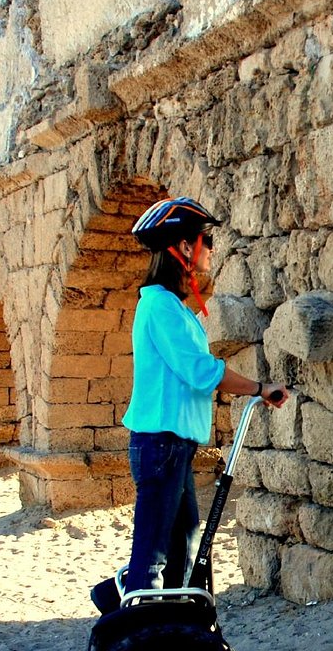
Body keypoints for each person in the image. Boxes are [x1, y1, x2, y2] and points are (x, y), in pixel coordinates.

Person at [122, 196, 289, 595]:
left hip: (173, 446)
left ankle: (174, 629)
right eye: (205, 240)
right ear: (183, 247)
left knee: (184, 548)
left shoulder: (174, 308)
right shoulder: (160, 307)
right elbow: (200, 372)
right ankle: (141, 641)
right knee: (155, 555)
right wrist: (258, 389)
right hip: (160, 444)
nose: (211, 248)